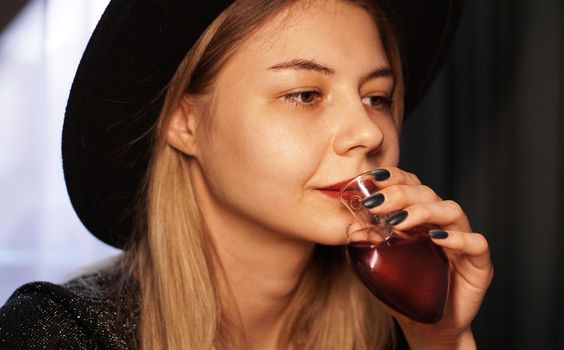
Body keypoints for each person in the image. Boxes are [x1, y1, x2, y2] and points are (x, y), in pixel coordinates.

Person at [0, 0, 493, 349]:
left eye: (377, 97)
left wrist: (442, 342)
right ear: (183, 121)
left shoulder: (393, 329)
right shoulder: (60, 334)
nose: (368, 131)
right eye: (304, 94)